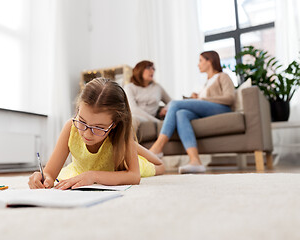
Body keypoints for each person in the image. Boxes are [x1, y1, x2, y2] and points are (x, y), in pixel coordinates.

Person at [28, 78, 165, 189]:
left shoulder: (121, 134)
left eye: (98, 127)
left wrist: (93, 176)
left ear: (114, 125)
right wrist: (43, 178)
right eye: (82, 121)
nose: (87, 134)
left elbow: (134, 176)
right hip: (81, 171)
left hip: (117, 168)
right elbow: (49, 173)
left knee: (160, 166)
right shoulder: (71, 126)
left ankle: (133, 147)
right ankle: (131, 146)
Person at [149, 51, 235, 174]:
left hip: (221, 108)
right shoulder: (206, 82)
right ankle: (195, 161)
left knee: (174, 104)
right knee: (181, 114)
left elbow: (230, 98)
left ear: (209, 61)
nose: (198, 64)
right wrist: (197, 97)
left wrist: (202, 99)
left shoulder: (222, 76)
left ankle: (157, 148)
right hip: (207, 109)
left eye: (200, 60)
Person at [124, 60, 171, 130]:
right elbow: (133, 110)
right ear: (139, 70)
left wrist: (166, 108)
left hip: (150, 121)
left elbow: (172, 102)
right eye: (149, 68)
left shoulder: (157, 87)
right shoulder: (129, 87)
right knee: (133, 119)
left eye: (153, 69)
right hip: (137, 118)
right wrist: (157, 122)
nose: (152, 71)